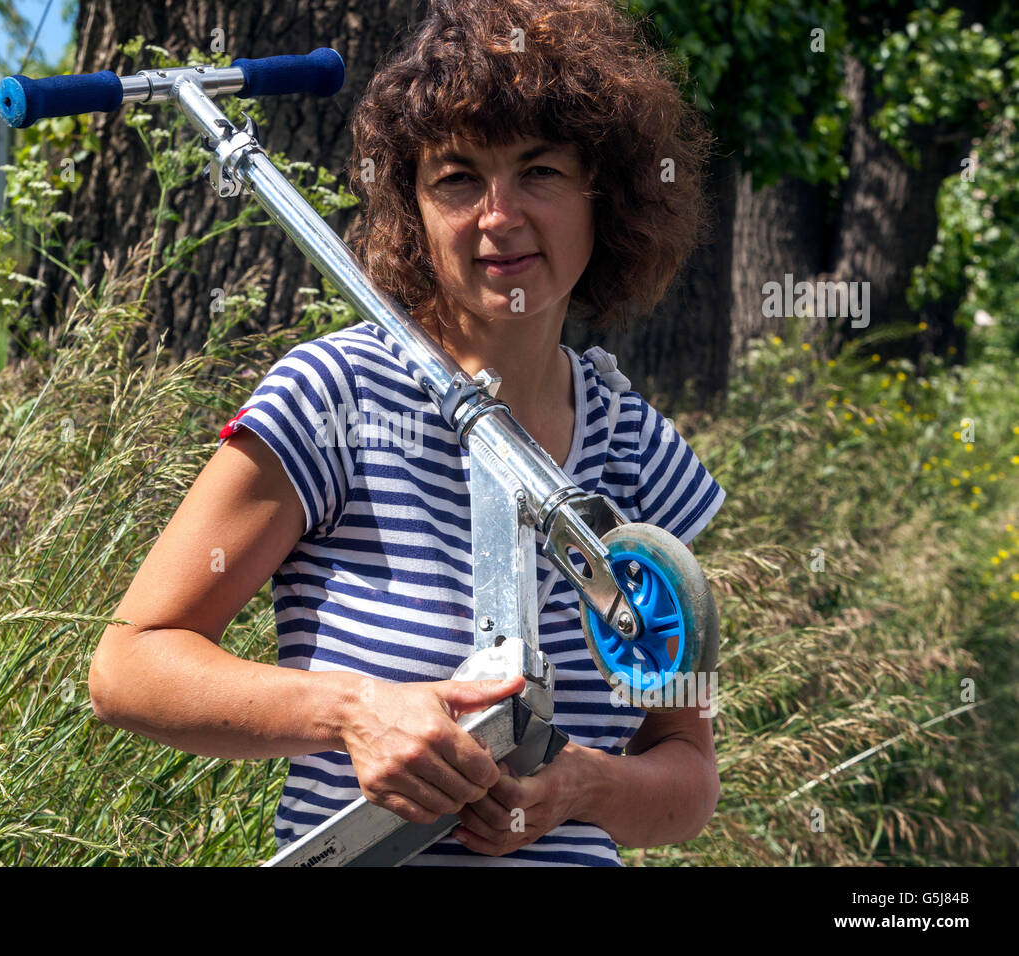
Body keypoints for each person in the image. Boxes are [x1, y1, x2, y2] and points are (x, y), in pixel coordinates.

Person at [90, 0, 725, 865]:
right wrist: (354, 712)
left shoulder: (639, 451)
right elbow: (130, 666)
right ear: (413, 212)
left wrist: (583, 786)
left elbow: (687, 777)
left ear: (601, 195)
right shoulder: (335, 397)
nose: (499, 217)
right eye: (458, 179)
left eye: (538, 172)